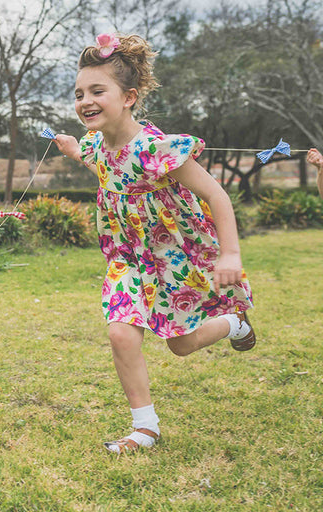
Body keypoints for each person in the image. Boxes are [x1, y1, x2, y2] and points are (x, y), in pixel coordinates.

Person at [52, 34, 255, 453]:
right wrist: (74, 151)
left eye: (96, 91)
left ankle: (235, 323)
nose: (84, 100)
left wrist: (231, 253)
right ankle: (145, 428)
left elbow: (216, 195)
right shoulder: (97, 144)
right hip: (127, 259)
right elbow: (103, 165)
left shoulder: (155, 148)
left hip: (173, 258)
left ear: (128, 97)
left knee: (181, 345)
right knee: (120, 333)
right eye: (78, 93)